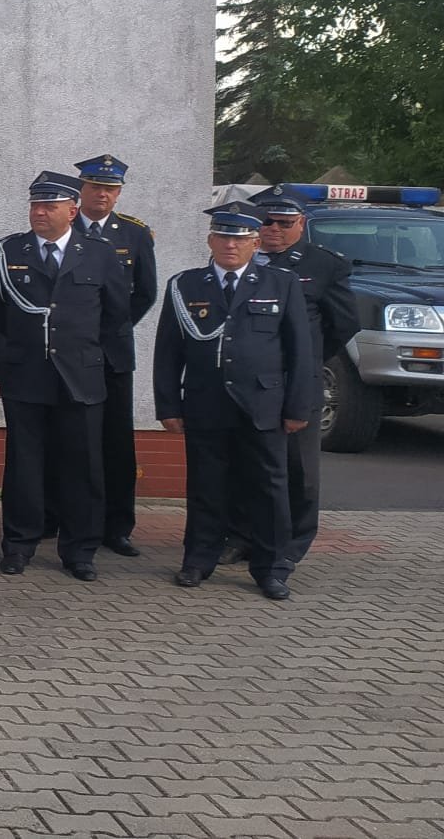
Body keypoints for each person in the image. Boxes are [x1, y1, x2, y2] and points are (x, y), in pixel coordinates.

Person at [154, 201, 314, 600]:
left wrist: (298, 407)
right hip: (206, 402)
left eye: (240, 239)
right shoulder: (186, 285)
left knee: (269, 488)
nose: (230, 245)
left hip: (263, 404)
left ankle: (271, 568)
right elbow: (168, 351)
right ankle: (198, 560)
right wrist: (168, 405)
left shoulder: (280, 283)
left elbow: (300, 351)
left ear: (255, 243)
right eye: (223, 237)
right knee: (206, 485)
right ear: (210, 240)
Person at [0, 172, 129, 580]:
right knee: (24, 466)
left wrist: (86, 354)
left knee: (83, 466)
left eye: (49, 206)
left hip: (80, 376)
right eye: (35, 205)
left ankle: (80, 550)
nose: (40, 213)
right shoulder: (8, 250)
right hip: (27, 374)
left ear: (72, 211)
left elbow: (115, 315)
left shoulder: (99, 254)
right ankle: (19, 545)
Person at [220, 185, 359, 568]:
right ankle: (240, 536)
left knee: (298, 471)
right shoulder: (238, 258)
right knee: (242, 464)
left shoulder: (323, 265)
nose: (274, 230)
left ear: (301, 223)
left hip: (295, 385)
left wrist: (305, 361)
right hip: (246, 384)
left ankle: (289, 546)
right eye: (267, 222)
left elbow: (343, 324)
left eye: (285, 223)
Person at [72, 154, 158, 558]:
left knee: (117, 442)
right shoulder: (63, 227)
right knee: (69, 438)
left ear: (119, 193)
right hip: (70, 354)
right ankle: (59, 516)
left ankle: (117, 526)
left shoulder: (135, 234)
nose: (102, 194)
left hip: (113, 354)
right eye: (95, 187)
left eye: (110, 189)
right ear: (81, 190)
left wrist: (110, 329)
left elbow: (145, 292)